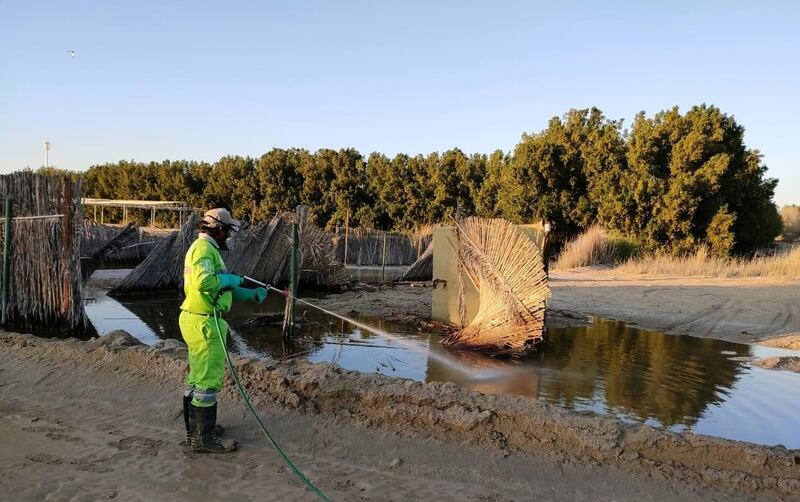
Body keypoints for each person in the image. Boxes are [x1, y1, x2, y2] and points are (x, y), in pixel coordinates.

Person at [179, 208, 267, 454]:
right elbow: (206, 282)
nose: (227, 235)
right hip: (205, 322)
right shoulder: (204, 250)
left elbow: (220, 286)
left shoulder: (207, 250)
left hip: (197, 319)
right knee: (208, 381)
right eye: (226, 230)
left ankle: (196, 432)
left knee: (197, 378)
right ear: (218, 229)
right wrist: (232, 280)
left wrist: (249, 293)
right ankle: (202, 440)